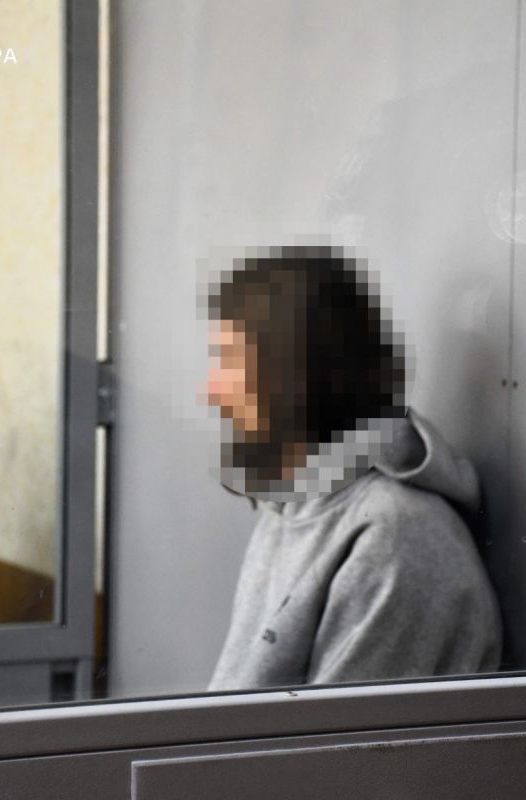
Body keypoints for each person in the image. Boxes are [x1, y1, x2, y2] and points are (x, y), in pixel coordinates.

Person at [204, 245, 500, 690]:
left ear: (297, 375)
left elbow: (335, 737)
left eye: (230, 361)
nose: (214, 390)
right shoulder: (291, 505)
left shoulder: (395, 537)